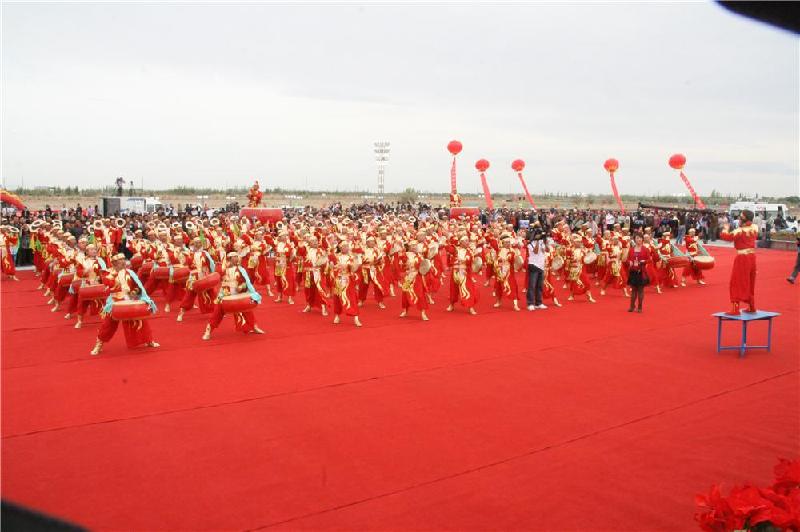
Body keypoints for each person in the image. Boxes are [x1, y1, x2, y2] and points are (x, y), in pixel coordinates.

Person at [90, 253, 159, 356]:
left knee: (141, 320)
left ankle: (148, 340)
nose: (123, 262)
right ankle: (99, 344)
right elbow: (108, 285)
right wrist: (116, 276)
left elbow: (137, 286)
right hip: (115, 301)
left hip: (129, 299)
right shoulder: (107, 273)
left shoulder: (130, 272)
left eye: (124, 259)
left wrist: (134, 292)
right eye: (120, 260)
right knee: (108, 325)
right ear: (114, 263)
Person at [202, 252, 264, 339]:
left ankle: (254, 327)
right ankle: (208, 330)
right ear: (229, 259)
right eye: (234, 257)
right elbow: (216, 274)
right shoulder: (223, 269)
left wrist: (241, 287)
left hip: (238, 294)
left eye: (237, 257)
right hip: (224, 294)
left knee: (247, 311)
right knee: (217, 313)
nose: (236, 259)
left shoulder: (241, 269)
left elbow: (246, 283)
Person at [719, 209, 758, 315]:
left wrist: (725, 229)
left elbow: (726, 237)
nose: (739, 218)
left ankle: (735, 308)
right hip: (752, 257)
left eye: (741, 216)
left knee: (736, 281)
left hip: (742, 258)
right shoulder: (755, 228)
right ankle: (751, 306)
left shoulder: (739, 231)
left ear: (744, 218)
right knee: (750, 281)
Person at [626, 233, 651, 313]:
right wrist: (629, 262)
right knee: (633, 290)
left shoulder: (645, 249)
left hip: (641, 272)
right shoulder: (631, 249)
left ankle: (640, 306)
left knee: (640, 290)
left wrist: (644, 261)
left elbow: (649, 260)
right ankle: (632, 306)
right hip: (633, 271)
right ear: (634, 239)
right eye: (637, 238)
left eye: (640, 238)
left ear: (642, 239)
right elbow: (627, 259)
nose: (639, 240)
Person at [526, 225, 547, 311]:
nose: (539, 235)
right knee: (532, 286)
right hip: (533, 265)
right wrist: (537, 241)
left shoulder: (542, 242)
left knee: (540, 286)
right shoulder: (530, 243)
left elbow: (545, 250)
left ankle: (539, 302)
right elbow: (535, 251)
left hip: (541, 266)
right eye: (537, 234)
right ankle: (530, 303)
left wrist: (544, 240)